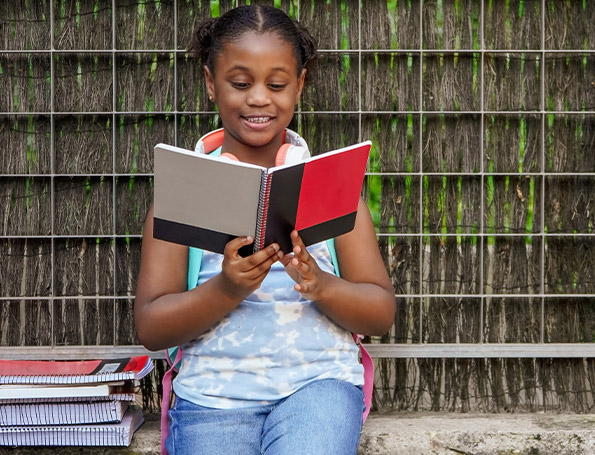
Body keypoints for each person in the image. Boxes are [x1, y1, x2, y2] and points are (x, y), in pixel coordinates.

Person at [134, 5, 395, 455]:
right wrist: (227, 287)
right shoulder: (184, 195)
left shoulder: (333, 190)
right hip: (212, 396)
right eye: (240, 83)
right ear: (210, 83)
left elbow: (380, 312)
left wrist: (322, 286)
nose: (259, 98)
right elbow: (153, 328)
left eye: (276, 85)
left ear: (300, 84)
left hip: (319, 386)